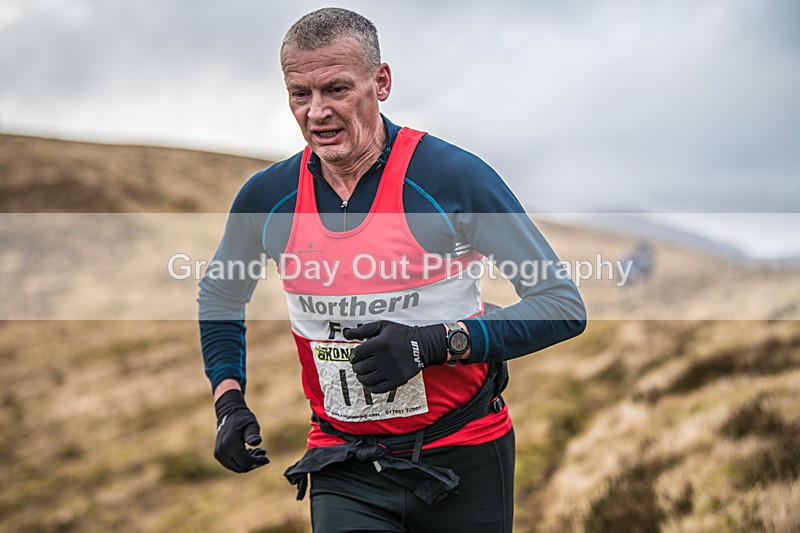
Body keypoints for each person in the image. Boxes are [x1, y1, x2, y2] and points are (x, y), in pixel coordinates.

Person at [199, 7, 586, 532]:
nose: (317, 112)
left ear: (381, 82)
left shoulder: (450, 179)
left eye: (336, 90)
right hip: (345, 463)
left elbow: (561, 306)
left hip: (464, 456)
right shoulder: (268, 199)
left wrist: (430, 344)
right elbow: (221, 296)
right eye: (300, 94)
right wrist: (228, 400)